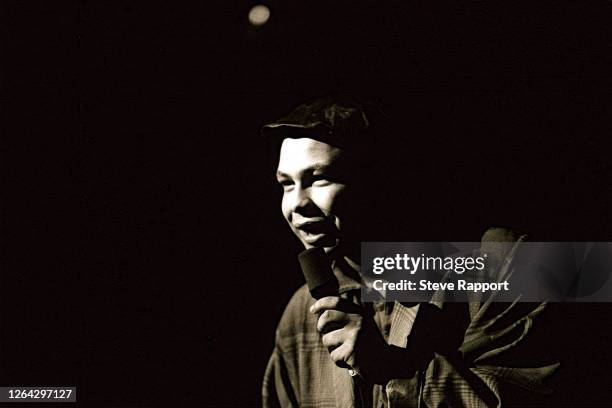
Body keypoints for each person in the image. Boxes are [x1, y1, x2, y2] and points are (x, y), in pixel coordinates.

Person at [261, 95, 559, 407]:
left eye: (320, 178)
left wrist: (393, 372)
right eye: (286, 184)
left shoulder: (500, 263)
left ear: (376, 177)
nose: (297, 204)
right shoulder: (301, 314)